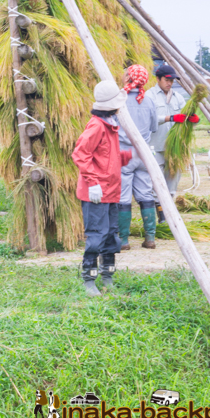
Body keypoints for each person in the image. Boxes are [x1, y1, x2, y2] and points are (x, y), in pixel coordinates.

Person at [72, 80, 132, 296]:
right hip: (96, 192)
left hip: (111, 190)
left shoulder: (110, 124)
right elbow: (80, 154)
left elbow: (108, 157)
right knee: (97, 235)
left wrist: (133, 155)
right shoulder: (97, 126)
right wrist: (92, 182)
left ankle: (108, 276)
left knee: (111, 235)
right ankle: (89, 279)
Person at [146, 65, 199, 217]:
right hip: (155, 145)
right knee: (156, 179)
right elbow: (149, 119)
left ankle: (168, 212)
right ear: (158, 79)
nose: (169, 83)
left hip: (175, 147)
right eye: (167, 80)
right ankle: (160, 214)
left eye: (172, 80)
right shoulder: (149, 96)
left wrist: (194, 120)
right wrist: (170, 118)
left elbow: (185, 117)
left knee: (173, 177)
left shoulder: (178, 97)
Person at [116, 65, 158, 250]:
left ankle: (123, 241)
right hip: (143, 154)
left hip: (124, 153)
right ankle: (150, 238)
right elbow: (154, 127)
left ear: (128, 78)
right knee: (146, 194)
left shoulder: (119, 100)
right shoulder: (149, 101)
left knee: (123, 196)